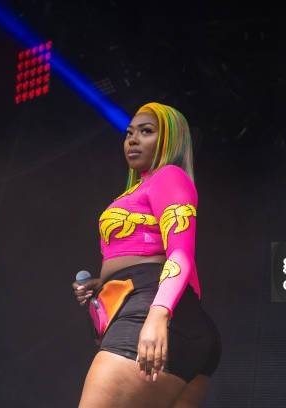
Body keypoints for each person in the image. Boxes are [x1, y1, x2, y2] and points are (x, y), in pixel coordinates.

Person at [72, 102, 221, 407]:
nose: (133, 139)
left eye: (146, 131)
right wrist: (105, 283)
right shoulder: (141, 189)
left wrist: (157, 315)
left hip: (153, 312)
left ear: (169, 140)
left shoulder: (168, 176)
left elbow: (180, 253)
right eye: (129, 133)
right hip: (166, 316)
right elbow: (145, 255)